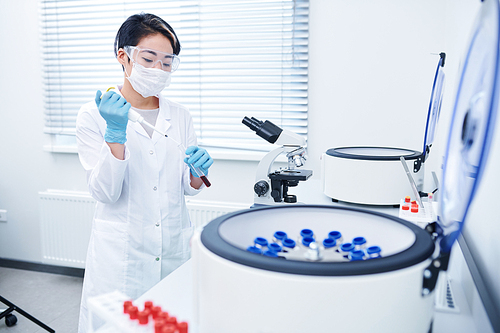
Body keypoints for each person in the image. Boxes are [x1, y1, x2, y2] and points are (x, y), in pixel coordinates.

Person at [75, 13, 213, 332]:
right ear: (124, 56)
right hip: (121, 252)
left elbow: (190, 187)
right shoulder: (93, 115)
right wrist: (114, 133)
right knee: (117, 326)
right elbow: (105, 192)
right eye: (149, 58)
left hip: (172, 245)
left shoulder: (179, 115)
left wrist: (196, 171)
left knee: (172, 318)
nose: (158, 70)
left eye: (167, 62)